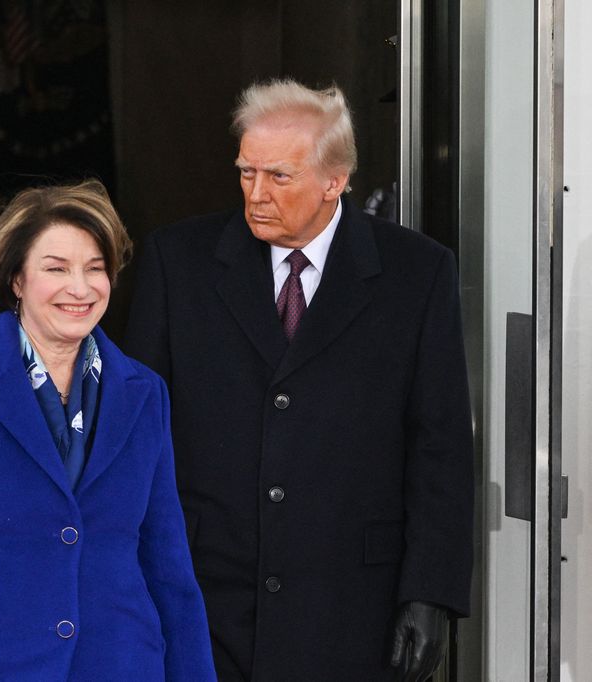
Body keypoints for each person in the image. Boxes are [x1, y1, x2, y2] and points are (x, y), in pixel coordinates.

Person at [124, 79, 474, 681]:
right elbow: (136, 434)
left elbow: (439, 445)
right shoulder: (176, 262)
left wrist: (430, 593)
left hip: (352, 602)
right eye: (245, 172)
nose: (255, 194)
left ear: (334, 181)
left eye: (278, 177)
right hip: (205, 594)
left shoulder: (418, 274)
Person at [0, 179, 216, 681]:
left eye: (95, 269)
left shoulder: (144, 392)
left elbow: (169, 569)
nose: (79, 288)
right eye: (56, 269)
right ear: (17, 279)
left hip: (123, 663)